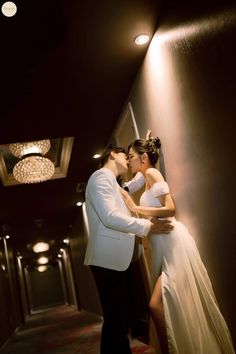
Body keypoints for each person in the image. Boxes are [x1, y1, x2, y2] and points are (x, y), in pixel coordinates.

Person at [120, 133, 235, 354]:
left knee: (155, 305)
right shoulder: (146, 176)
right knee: (172, 304)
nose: (128, 160)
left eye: (131, 156)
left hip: (173, 243)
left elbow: (170, 208)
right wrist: (144, 139)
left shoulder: (152, 172)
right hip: (163, 245)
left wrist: (136, 210)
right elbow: (139, 180)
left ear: (143, 158)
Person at [83, 144, 174, 354]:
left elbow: (136, 181)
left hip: (115, 259)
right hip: (107, 260)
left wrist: (147, 152)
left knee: (119, 320)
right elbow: (110, 217)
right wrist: (148, 227)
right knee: (117, 320)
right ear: (113, 154)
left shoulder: (113, 184)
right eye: (126, 155)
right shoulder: (100, 178)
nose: (128, 160)